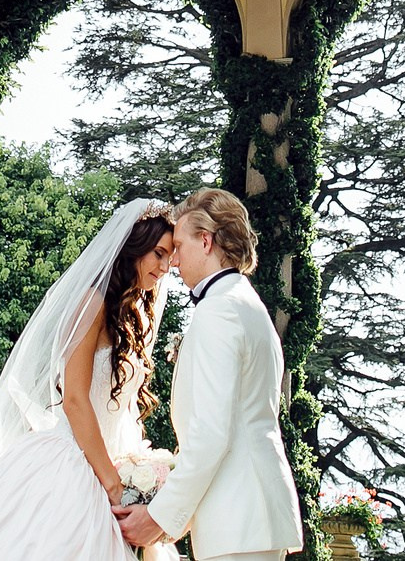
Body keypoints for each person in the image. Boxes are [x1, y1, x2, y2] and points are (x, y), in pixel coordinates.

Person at [0, 199, 179, 561]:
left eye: (169, 257)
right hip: (73, 464)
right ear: (132, 249)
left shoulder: (132, 316)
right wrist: (113, 482)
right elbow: (75, 399)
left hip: (113, 458)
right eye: (158, 253)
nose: (165, 266)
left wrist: (137, 471)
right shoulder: (91, 304)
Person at [116, 187, 303, 561]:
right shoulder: (245, 302)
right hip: (248, 518)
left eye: (180, 246)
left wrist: (158, 517)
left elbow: (212, 432)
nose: (172, 262)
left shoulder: (220, 311)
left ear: (206, 241)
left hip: (238, 518)